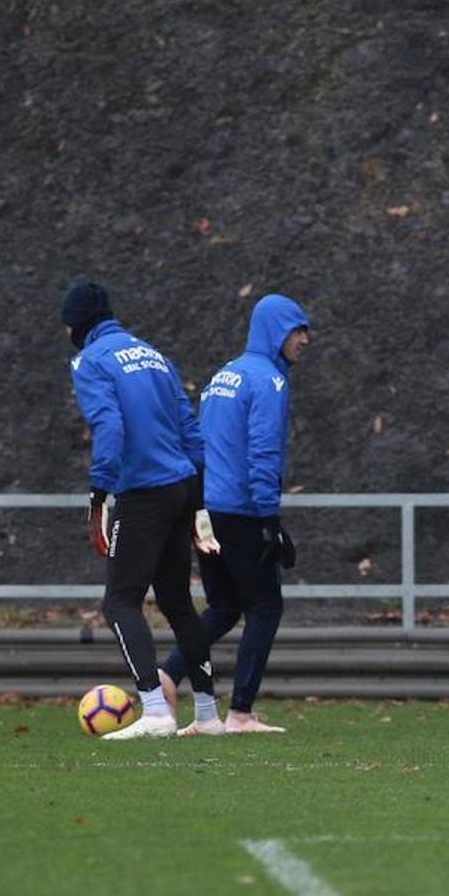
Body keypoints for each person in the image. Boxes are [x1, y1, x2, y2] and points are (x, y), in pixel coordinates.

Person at [61, 279, 222, 739]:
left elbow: (108, 424)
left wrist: (99, 493)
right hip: (181, 486)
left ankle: (154, 709)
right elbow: (189, 427)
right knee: (177, 604)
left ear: (76, 324)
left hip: (144, 491)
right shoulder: (153, 355)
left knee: (119, 601)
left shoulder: (90, 360)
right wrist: (199, 496)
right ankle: (208, 715)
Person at [159, 294, 311, 733]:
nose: (305, 339)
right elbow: (263, 452)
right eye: (297, 330)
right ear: (275, 332)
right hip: (243, 511)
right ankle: (240, 713)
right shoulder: (269, 382)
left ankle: (169, 675)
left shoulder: (224, 375)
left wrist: (196, 507)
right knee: (265, 606)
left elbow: (200, 444)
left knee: (224, 606)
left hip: (207, 507)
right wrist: (269, 521)